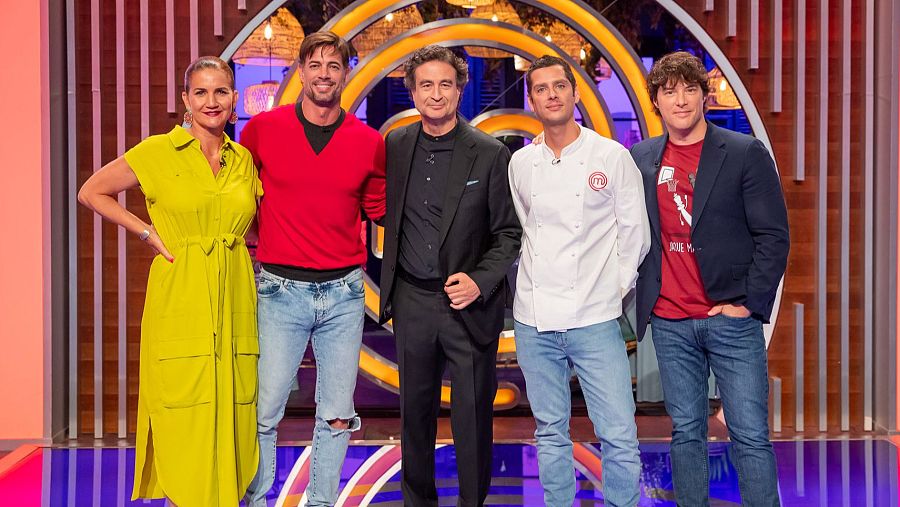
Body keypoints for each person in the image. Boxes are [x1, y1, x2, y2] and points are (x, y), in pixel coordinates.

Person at [77, 56, 261, 506]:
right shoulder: (157, 151)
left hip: (235, 292)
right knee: (182, 405)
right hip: (180, 289)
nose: (211, 101)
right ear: (185, 100)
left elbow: (255, 221)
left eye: (220, 91)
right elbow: (91, 191)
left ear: (234, 99)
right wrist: (146, 232)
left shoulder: (243, 159)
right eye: (201, 92)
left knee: (235, 402)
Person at [630, 51, 789, 506]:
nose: (680, 100)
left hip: (730, 319)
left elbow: (774, 236)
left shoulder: (743, 152)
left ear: (704, 96)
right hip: (670, 321)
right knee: (686, 433)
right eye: (669, 91)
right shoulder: (641, 158)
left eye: (689, 89)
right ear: (656, 101)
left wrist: (747, 303)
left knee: (749, 435)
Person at [240, 31, 386, 507]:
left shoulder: (368, 142)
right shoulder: (262, 130)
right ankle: (257, 500)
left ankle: (322, 502)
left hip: (344, 294)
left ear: (345, 74)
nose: (324, 74)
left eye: (334, 65)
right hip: (279, 291)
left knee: (338, 413)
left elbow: (380, 209)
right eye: (316, 64)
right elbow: (238, 195)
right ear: (301, 71)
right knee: (265, 410)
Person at [378, 45, 522, 506]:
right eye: (426, 85)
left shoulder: (490, 153)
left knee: (472, 418)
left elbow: (508, 233)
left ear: (460, 90)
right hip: (412, 300)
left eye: (445, 84)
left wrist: (480, 280)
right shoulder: (396, 146)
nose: (435, 94)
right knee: (414, 417)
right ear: (413, 92)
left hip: (468, 305)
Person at [508, 55, 649, 507]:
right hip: (534, 319)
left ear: (575, 93)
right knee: (550, 432)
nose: (551, 95)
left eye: (559, 86)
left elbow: (635, 234)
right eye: (541, 89)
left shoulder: (611, 156)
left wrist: (611, 291)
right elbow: (524, 229)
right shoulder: (521, 163)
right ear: (532, 101)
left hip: (596, 318)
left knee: (618, 433)